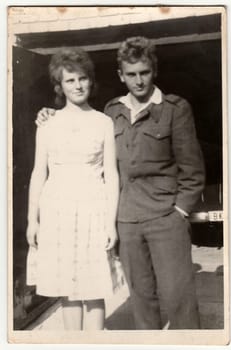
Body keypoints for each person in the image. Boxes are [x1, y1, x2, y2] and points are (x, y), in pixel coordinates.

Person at [36, 36, 205, 329]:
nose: (138, 81)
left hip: (165, 216)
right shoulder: (111, 112)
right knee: (141, 300)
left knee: (179, 298)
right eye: (131, 74)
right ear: (121, 76)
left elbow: (193, 169)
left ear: (154, 71)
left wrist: (180, 212)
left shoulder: (175, 109)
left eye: (144, 72)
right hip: (126, 220)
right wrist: (47, 112)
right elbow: (78, 126)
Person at [26, 47, 120, 330]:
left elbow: (112, 175)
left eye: (82, 79)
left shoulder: (103, 122)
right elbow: (38, 173)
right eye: (70, 80)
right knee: (67, 288)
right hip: (57, 213)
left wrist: (110, 224)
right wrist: (33, 220)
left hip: (93, 210)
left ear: (90, 81)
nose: (77, 86)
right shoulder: (47, 124)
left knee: (93, 289)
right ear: (59, 85)